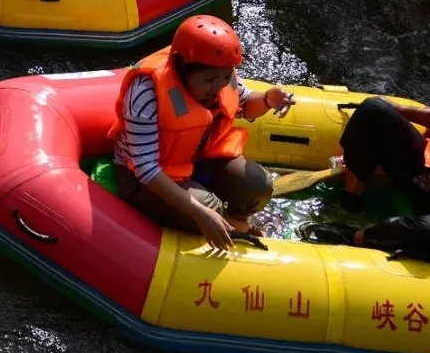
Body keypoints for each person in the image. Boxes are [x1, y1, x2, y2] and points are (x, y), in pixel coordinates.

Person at [107, 15, 294, 251]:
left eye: (225, 77)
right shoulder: (147, 92)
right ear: (183, 67)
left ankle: (233, 220)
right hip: (144, 174)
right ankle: (227, 222)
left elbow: (244, 104)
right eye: (209, 80)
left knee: (259, 186)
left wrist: (267, 100)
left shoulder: (221, 75)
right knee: (208, 208)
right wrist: (201, 213)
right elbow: (146, 169)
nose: (218, 87)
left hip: (194, 158)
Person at [302, 95, 430, 259]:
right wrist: (400, 110)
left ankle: (350, 236)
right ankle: (350, 207)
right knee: (373, 110)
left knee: (429, 232)